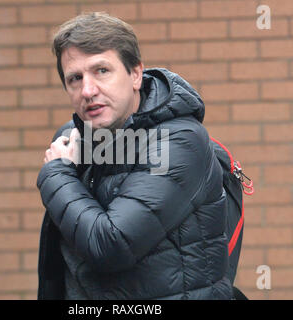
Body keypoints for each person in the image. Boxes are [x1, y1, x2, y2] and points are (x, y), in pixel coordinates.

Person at [36, 12, 232, 300]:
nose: (88, 90)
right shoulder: (73, 138)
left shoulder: (177, 141)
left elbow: (112, 246)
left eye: (101, 70)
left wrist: (57, 174)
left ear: (136, 74)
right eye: (75, 78)